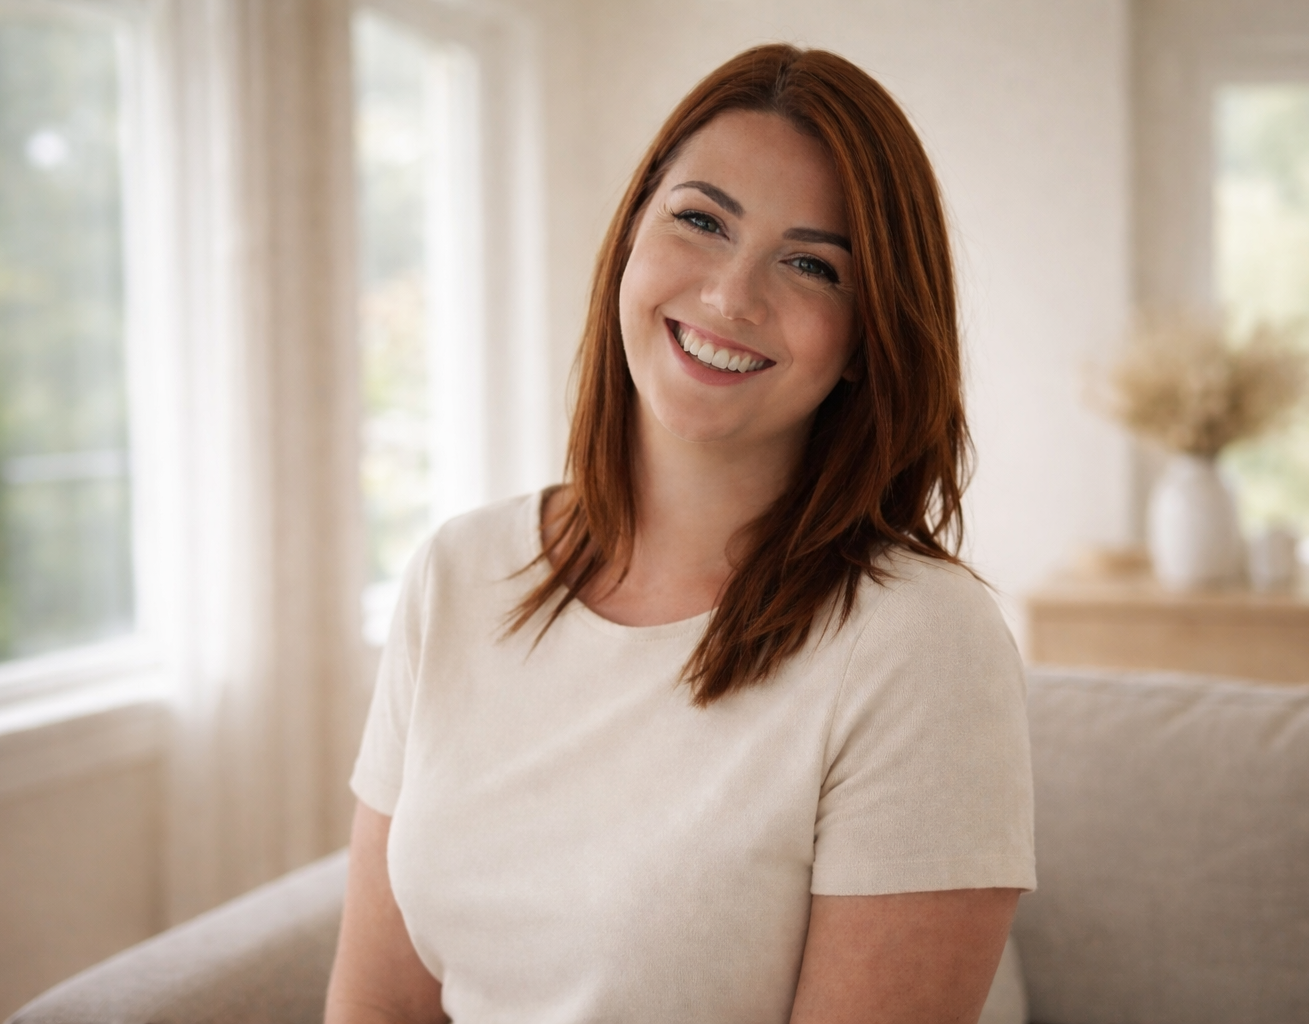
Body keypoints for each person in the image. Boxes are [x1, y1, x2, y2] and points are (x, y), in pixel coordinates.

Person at [326, 43, 1035, 1024]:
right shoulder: (460, 572)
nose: (733, 295)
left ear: (867, 336)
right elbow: (381, 1006)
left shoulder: (920, 644)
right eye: (702, 220)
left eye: (812, 265)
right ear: (631, 234)